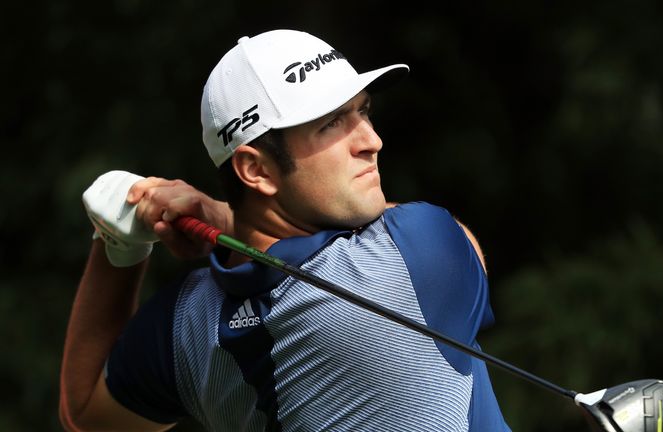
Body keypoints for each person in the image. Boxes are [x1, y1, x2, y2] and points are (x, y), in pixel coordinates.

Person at [59, 29, 512, 431]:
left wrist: (119, 244)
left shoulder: (184, 327)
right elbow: (463, 240)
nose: (371, 141)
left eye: (363, 112)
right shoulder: (414, 254)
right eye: (332, 123)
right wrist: (220, 216)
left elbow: (84, 414)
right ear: (255, 170)